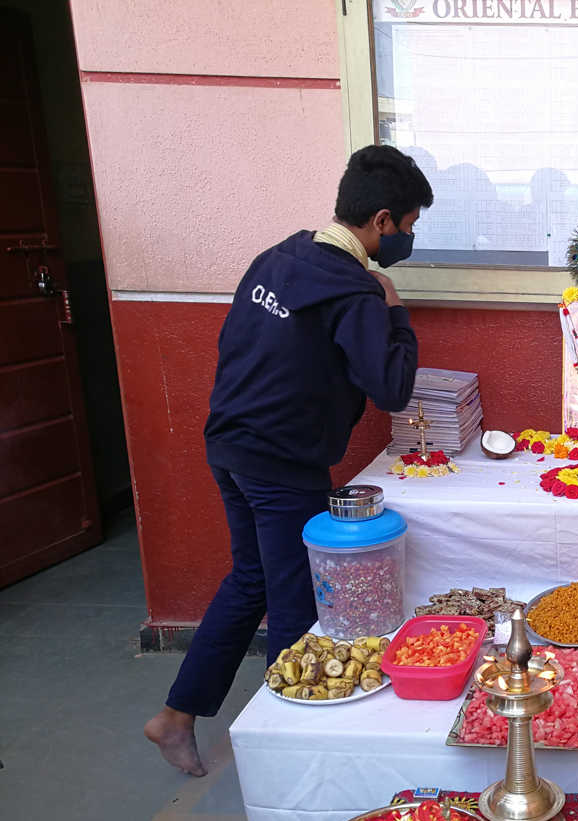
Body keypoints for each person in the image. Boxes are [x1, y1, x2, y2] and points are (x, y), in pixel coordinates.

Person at [145, 145, 432, 776]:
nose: (408, 238)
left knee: (253, 580)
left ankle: (176, 717)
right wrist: (396, 312)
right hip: (280, 460)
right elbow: (392, 388)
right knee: (301, 600)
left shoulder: (277, 258)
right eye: (409, 226)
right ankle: (294, 752)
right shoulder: (356, 291)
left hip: (229, 444)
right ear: (381, 221)